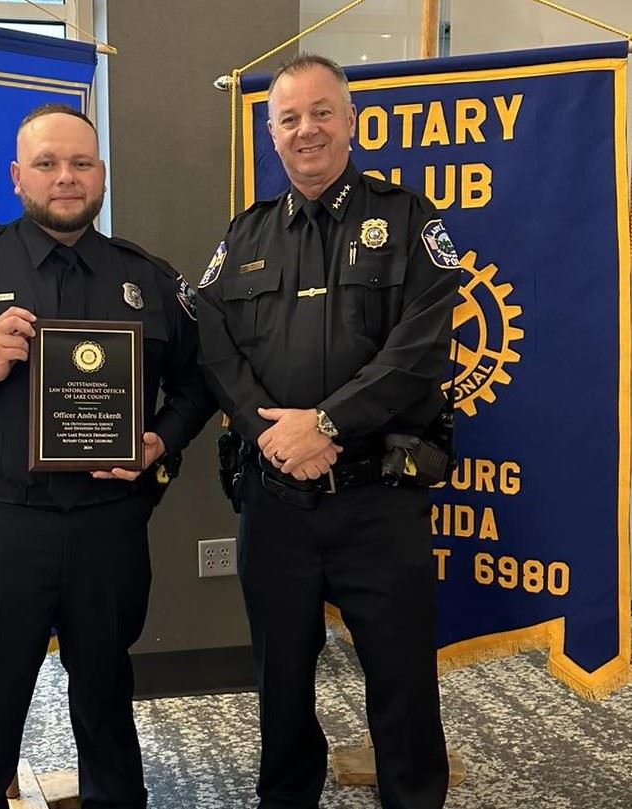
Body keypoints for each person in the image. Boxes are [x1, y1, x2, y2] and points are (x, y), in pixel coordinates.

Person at [0, 104, 214, 809]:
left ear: (102, 175)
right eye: (48, 164)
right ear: (16, 176)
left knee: (106, 699)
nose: (66, 177)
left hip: (107, 525)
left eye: (80, 163)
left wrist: (159, 440)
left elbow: (198, 382)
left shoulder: (145, 278)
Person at [196, 54, 461, 809]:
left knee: (402, 677)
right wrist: (269, 432)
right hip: (273, 498)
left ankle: (412, 797)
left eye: (320, 113)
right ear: (270, 134)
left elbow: (418, 352)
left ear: (350, 121)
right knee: (279, 676)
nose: (305, 129)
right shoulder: (244, 233)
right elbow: (212, 342)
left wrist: (326, 423)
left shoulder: (409, 219)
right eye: (288, 119)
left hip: (377, 495)